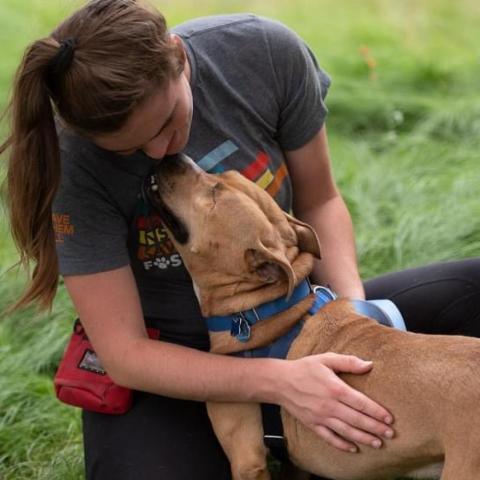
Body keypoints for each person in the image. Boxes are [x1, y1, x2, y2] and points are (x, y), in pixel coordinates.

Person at [1, 0, 479, 479]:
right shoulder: (73, 162)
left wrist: (354, 323)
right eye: (130, 149)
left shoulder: (260, 53)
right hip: (173, 364)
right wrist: (281, 382)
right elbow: (124, 355)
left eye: (167, 123)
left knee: (471, 287)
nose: (161, 153)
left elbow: (319, 201)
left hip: (298, 317)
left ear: (178, 57)